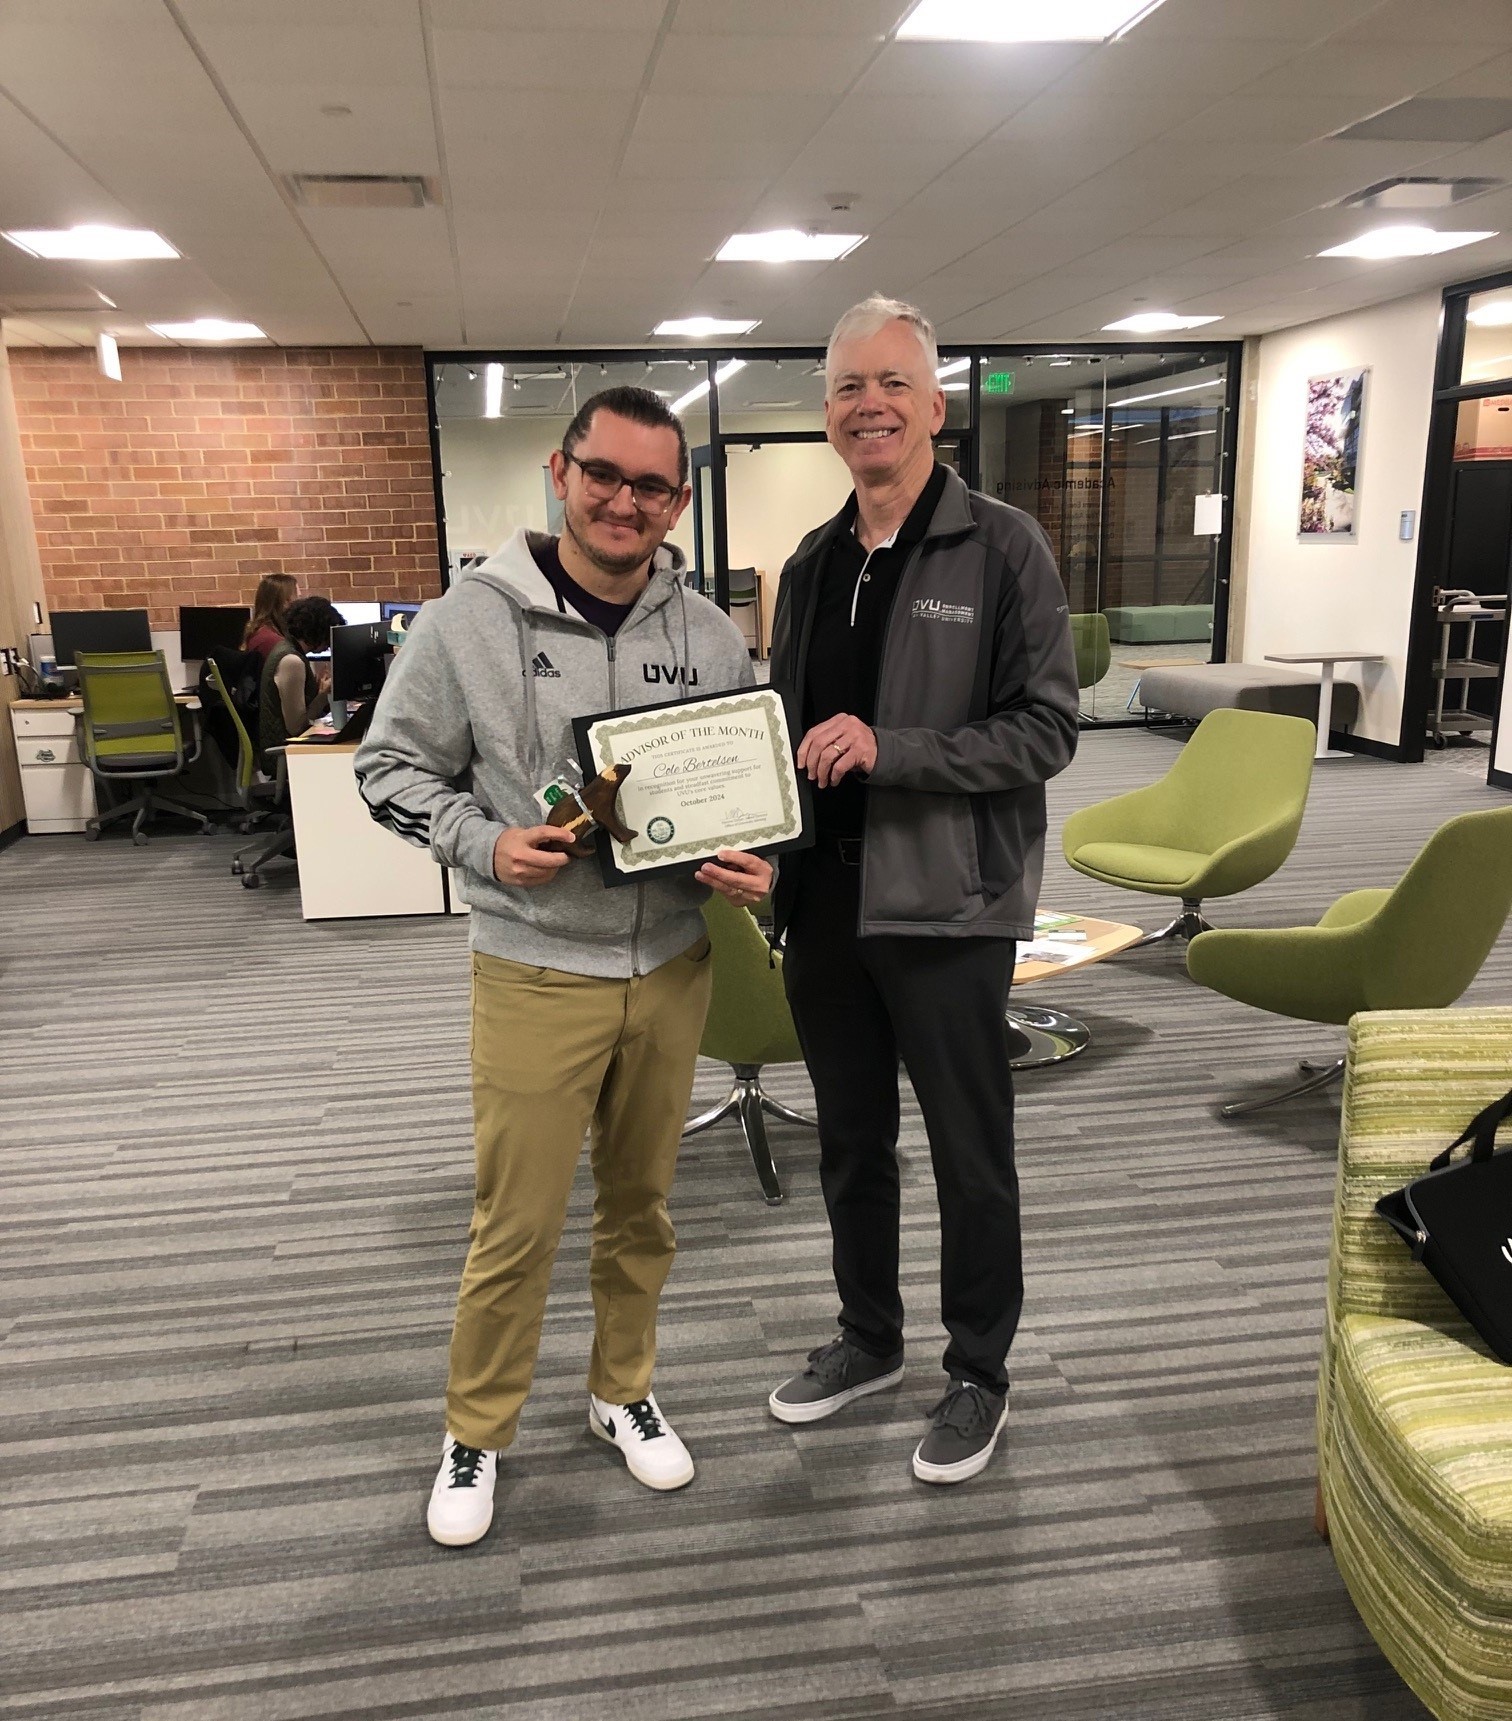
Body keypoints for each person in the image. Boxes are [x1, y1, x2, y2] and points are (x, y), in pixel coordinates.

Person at [353, 387, 772, 1548]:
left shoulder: (710, 633)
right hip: (535, 966)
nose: (625, 501)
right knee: (517, 1222)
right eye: (605, 473)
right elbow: (389, 769)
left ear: (678, 500)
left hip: (675, 963)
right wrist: (483, 842)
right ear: (560, 469)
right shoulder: (470, 621)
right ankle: (476, 1430)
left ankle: (619, 1388)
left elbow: (736, 784)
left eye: (652, 485)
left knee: (643, 1207)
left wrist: (747, 861)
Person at [765, 296, 1079, 1485]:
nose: (870, 405)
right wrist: (763, 851)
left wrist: (893, 749)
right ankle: (869, 1337)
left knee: (968, 1151)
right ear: (829, 413)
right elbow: (784, 736)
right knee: (851, 1142)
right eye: (849, 386)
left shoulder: (1003, 547)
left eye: (892, 383)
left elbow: (1045, 729)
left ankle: (978, 1373)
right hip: (825, 908)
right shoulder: (811, 559)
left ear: (934, 407)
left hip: (949, 907)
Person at [259, 594, 342, 769]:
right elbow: (296, 727)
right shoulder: (291, 661)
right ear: (318, 631)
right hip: (284, 754)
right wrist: (322, 694)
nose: (330, 644)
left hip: (288, 748)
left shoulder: (289, 650)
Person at [243, 573, 299, 667]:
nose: (300, 604)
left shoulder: (261, 632)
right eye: (297, 598)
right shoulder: (271, 641)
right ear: (285, 602)